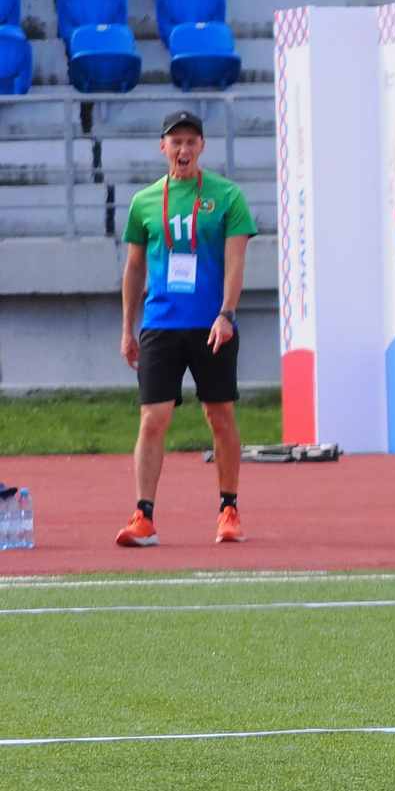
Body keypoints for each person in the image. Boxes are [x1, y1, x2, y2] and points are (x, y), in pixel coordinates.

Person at [115, 110, 255, 549]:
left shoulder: (227, 196)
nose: (184, 149)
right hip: (160, 325)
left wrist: (227, 313)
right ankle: (144, 517)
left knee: (219, 415)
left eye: (192, 141)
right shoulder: (144, 202)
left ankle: (228, 509)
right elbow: (135, 268)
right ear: (163, 148)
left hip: (211, 325)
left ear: (202, 148)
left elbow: (236, 260)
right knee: (153, 419)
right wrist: (127, 328)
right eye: (176, 141)